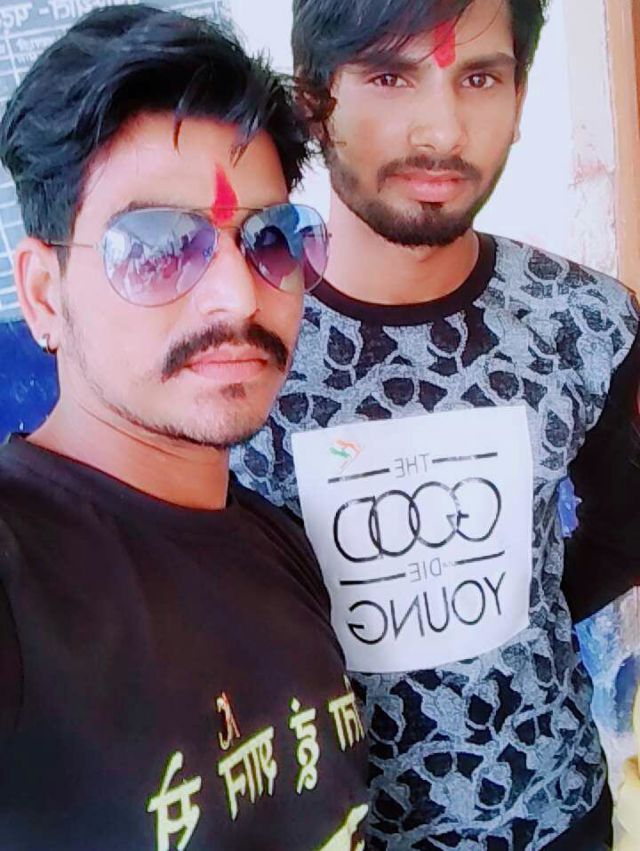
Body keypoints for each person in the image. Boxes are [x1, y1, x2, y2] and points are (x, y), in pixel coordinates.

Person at [231, 0, 640, 847]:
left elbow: (628, 523)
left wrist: (520, 612)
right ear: (312, 101)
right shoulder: (237, 339)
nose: (442, 131)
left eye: (480, 79)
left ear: (520, 99)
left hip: (550, 810)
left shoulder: (585, 323)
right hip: (329, 826)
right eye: (390, 76)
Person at [0, 6, 369, 849]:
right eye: (157, 245)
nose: (238, 297)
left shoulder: (279, 543)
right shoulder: (22, 580)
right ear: (45, 295)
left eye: (271, 239)